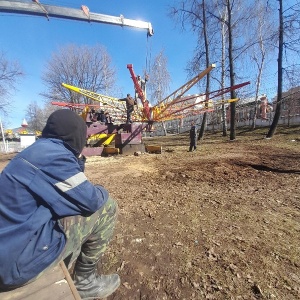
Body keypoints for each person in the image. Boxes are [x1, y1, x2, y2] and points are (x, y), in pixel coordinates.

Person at [0, 109, 120, 299]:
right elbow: (90, 201)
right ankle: (85, 282)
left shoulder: (37, 151)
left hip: (9, 247)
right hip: (15, 264)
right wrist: (102, 190)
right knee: (107, 207)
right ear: (76, 136)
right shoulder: (53, 156)